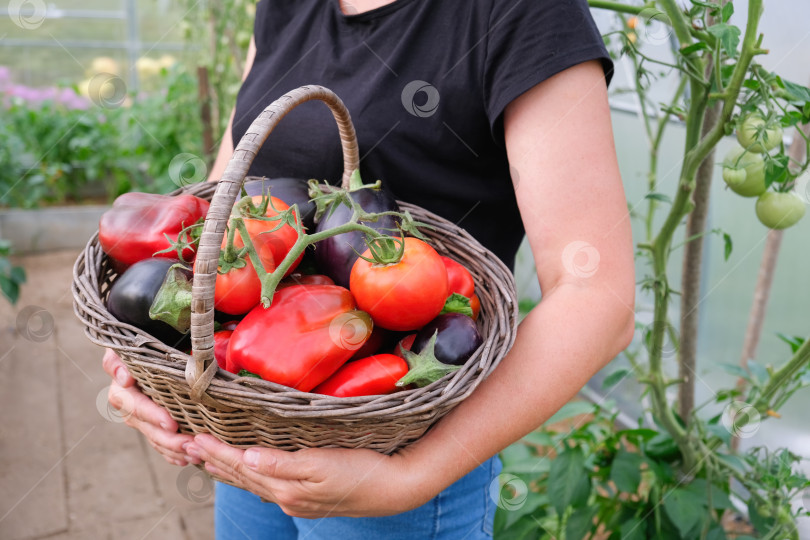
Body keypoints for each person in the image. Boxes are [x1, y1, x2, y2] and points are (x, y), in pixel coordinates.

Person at [103, 0, 636, 537]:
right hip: (249, 427)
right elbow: (228, 195)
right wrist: (147, 357)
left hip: (398, 456)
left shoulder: (525, 12)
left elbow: (598, 298)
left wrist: (411, 476)